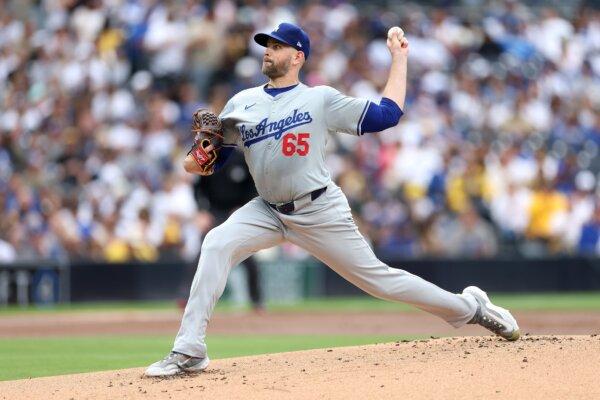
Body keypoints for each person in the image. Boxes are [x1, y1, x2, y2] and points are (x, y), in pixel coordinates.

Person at [145, 23, 520, 377]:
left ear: (298, 57)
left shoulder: (319, 99)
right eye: (267, 46)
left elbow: (387, 116)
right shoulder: (242, 103)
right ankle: (190, 349)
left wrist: (399, 59)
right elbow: (200, 165)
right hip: (267, 209)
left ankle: (472, 308)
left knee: (381, 282)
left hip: (319, 209)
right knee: (216, 242)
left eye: (277, 46)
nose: (268, 52)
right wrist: (200, 151)